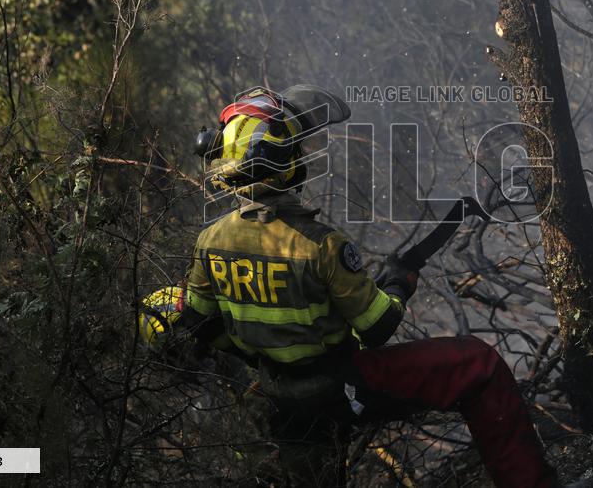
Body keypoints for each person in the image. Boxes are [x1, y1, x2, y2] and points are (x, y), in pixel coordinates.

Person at [139, 86, 558, 487]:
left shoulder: (209, 243)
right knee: (478, 366)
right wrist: (396, 284)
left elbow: (198, 318)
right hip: (337, 387)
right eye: (295, 151)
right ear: (283, 163)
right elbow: (377, 327)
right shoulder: (320, 245)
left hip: (280, 395)